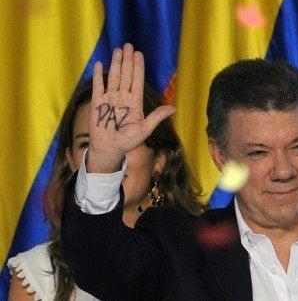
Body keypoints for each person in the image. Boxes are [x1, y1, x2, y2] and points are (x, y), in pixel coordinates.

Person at [60, 43, 298, 300]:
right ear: (220, 155)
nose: (283, 170)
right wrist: (105, 160)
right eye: (258, 152)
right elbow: (100, 266)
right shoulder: (178, 248)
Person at [7, 74, 204, 301]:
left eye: (126, 138)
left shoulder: (208, 254)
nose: (110, 154)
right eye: (88, 145)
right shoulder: (37, 273)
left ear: (159, 159)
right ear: (71, 162)